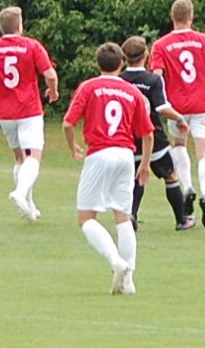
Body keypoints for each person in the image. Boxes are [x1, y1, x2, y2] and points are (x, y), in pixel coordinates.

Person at [63, 42, 154, 295]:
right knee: (123, 218)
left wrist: (73, 147)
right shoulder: (132, 91)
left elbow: (68, 123)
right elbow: (148, 134)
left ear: (97, 64)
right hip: (125, 155)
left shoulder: (89, 87)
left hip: (99, 154)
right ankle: (129, 279)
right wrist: (145, 164)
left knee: (86, 218)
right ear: (121, 64)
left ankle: (116, 261)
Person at [0, 6, 59, 223]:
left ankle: (29, 206)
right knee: (32, 156)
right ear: (19, 26)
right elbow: (50, 75)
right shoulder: (31, 45)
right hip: (29, 112)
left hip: (6, 115)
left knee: (20, 157)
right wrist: (52, 91)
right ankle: (19, 193)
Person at [149, 0, 205, 229]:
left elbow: (156, 75)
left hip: (177, 107)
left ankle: (188, 188)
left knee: (179, 145)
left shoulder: (161, 45)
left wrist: (160, 100)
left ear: (172, 17)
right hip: (203, 104)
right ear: (191, 17)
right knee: (204, 154)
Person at [119, 36, 194, 231]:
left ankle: (132, 215)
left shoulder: (119, 80)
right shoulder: (153, 80)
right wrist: (179, 119)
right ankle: (182, 220)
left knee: (136, 177)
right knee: (171, 175)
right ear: (146, 54)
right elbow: (162, 108)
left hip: (128, 138)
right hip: (154, 137)